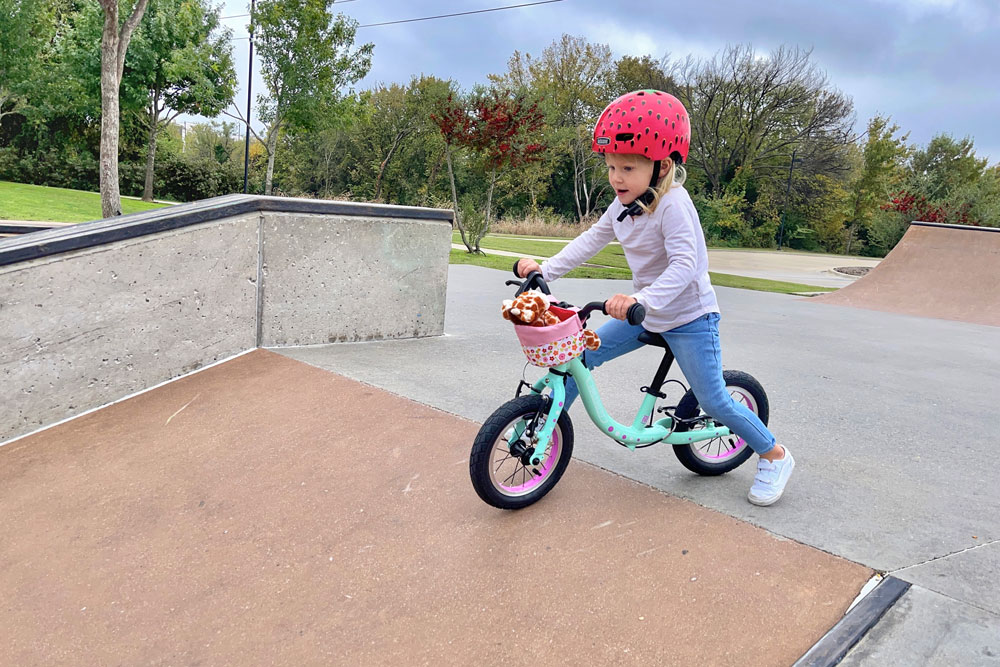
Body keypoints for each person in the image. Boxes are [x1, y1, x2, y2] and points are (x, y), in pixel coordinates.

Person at [515, 90, 794, 506]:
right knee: (580, 358)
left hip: (690, 318)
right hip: (644, 314)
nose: (617, 178)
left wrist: (638, 297)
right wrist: (544, 269)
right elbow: (593, 238)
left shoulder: (674, 207)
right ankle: (548, 426)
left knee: (715, 399)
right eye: (611, 167)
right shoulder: (623, 204)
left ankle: (775, 455)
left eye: (628, 167)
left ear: (662, 166)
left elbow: (686, 267)